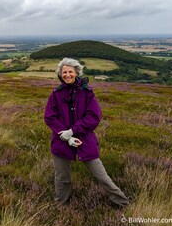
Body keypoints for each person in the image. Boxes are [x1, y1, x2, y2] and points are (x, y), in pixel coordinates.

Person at [44, 57, 129, 207]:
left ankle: (123, 203)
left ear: (77, 73)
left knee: (101, 176)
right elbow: (50, 117)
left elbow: (94, 117)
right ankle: (60, 206)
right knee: (62, 177)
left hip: (85, 139)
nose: (67, 75)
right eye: (64, 72)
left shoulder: (87, 92)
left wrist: (73, 131)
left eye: (70, 71)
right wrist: (66, 135)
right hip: (61, 139)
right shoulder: (56, 94)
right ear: (60, 74)